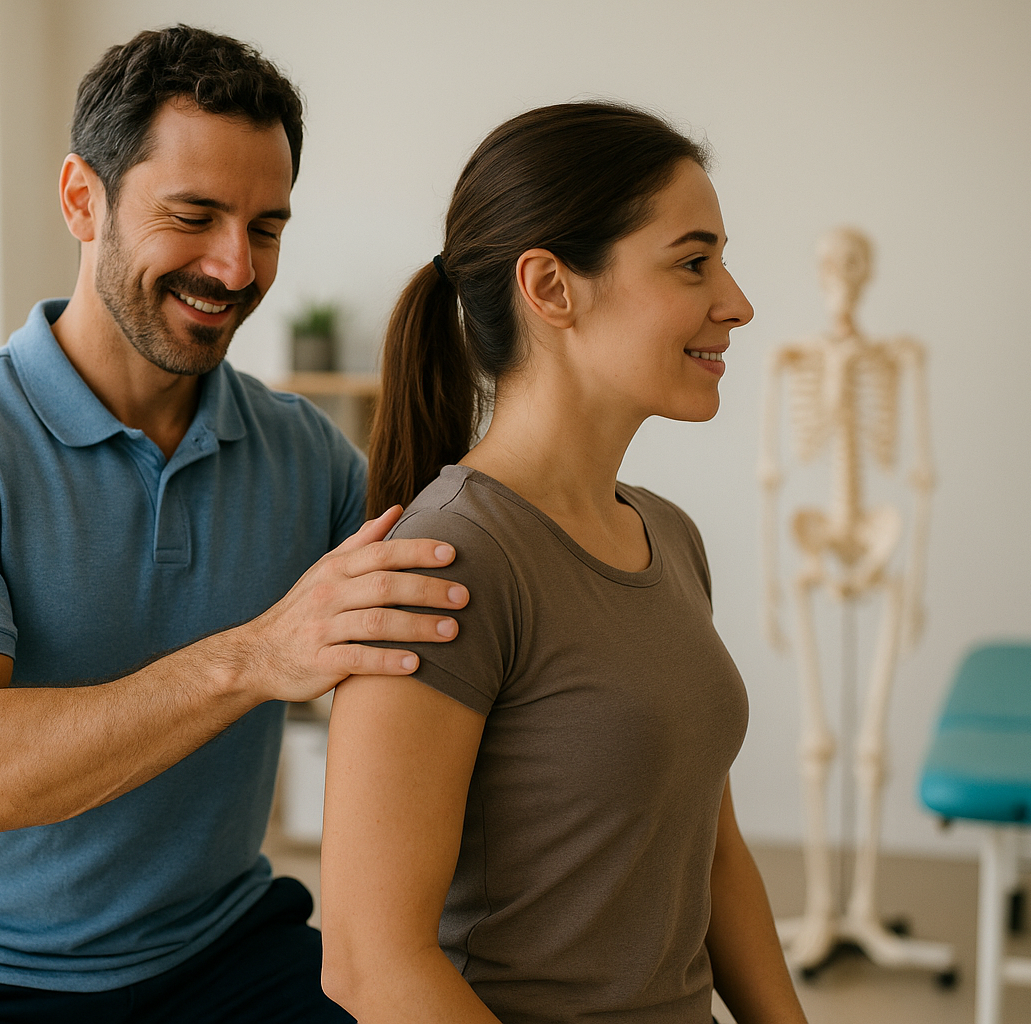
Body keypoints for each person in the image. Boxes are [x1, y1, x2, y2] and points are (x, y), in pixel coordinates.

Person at [0, 26, 467, 1024]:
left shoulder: (307, 456)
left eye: (265, 227)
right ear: (83, 199)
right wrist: (255, 657)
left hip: (222, 945)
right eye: (194, 215)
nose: (234, 267)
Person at [319, 103, 809, 1024]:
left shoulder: (670, 536)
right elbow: (369, 963)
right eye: (693, 262)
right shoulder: (449, 560)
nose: (736, 301)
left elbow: (711, 849)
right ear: (551, 287)